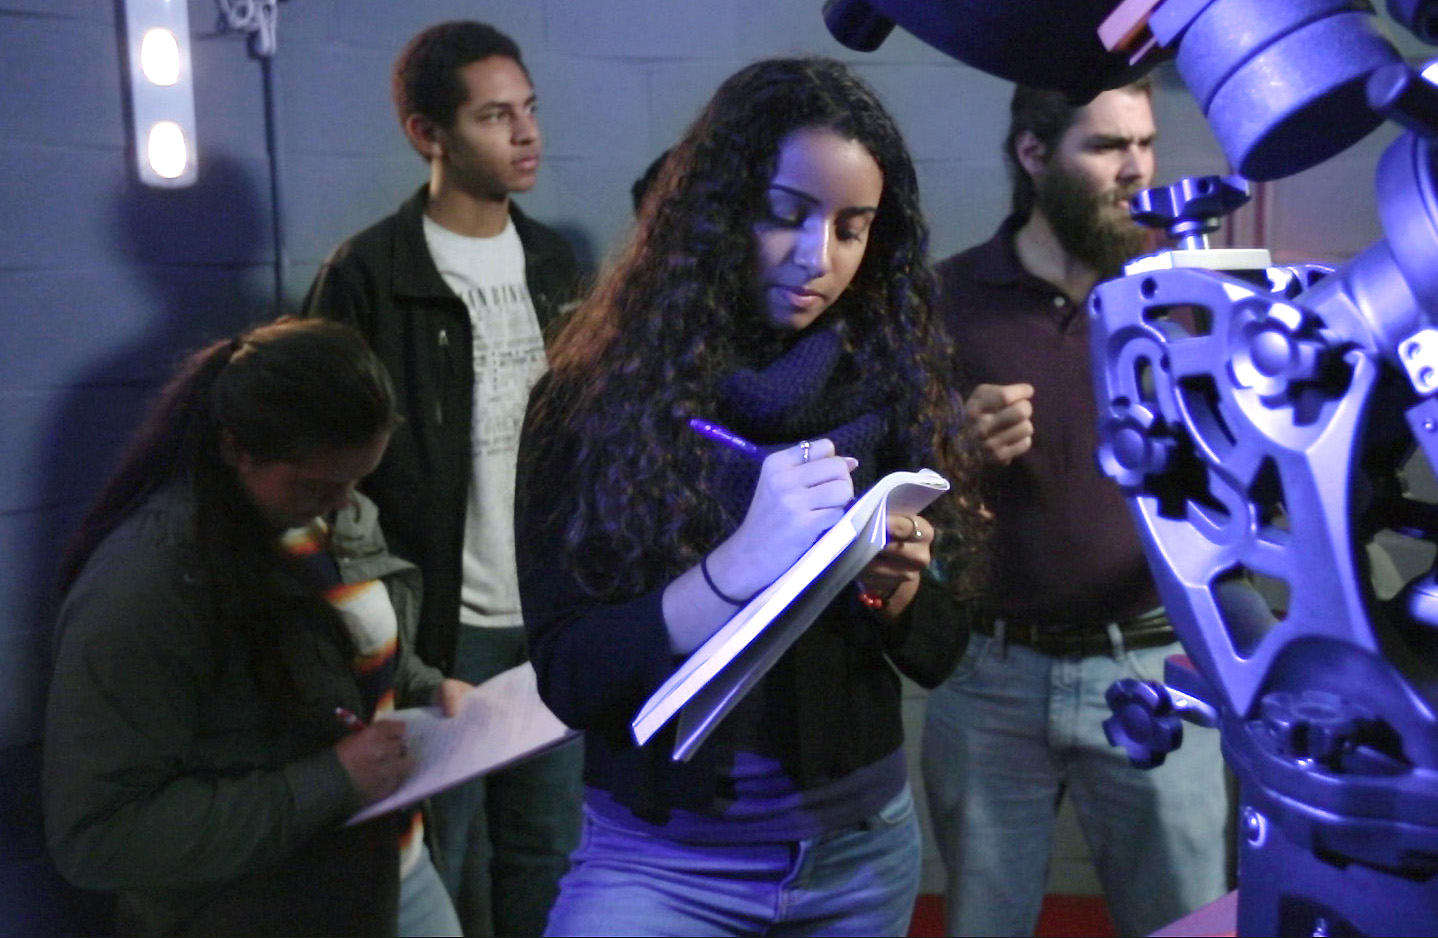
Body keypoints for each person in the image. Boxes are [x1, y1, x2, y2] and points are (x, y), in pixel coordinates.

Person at [515, 56, 985, 937]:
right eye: (786, 215)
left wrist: (897, 588)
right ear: (721, 210)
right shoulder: (590, 401)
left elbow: (942, 649)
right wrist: (736, 569)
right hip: (660, 858)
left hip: (858, 853)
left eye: (854, 228)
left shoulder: (891, 381)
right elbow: (572, 674)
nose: (819, 258)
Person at [920, 78, 1232, 937]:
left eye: (1145, 143)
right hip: (991, 676)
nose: (1136, 169)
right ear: (1034, 155)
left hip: (1157, 667)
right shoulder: (948, 299)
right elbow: (886, 482)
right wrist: (951, 444)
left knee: (1188, 922)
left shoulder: (1183, 297)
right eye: (1105, 147)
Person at [42, 318, 466, 936]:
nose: (345, 502)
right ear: (236, 449)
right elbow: (98, 836)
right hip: (259, 909)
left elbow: (348, 651)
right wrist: (333, 779)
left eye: (358, 479)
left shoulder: (325, 508)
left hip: (390, 872)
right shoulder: (150, 587)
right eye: (318, 485)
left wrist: (430, 689)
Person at [300, 19, 583, 937]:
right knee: (445, 857)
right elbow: (324, 474)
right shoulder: (370, 277)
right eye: (496, 116)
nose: (527, 133)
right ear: (430, 135)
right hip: (438, 625)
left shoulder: (553, 263)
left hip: (547, 615)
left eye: (529, 110)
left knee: (548, 848)